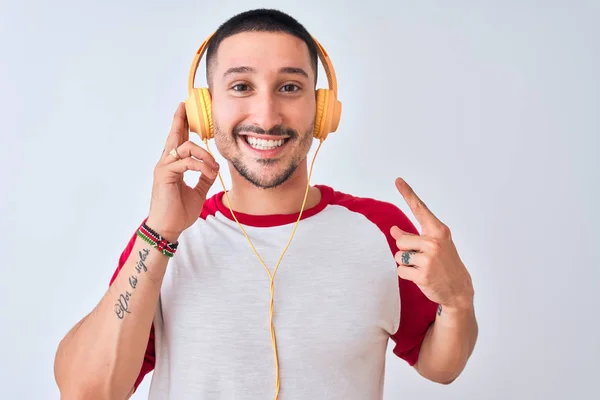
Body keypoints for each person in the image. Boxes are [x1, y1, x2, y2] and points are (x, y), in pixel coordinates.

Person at [53, 8, 478, 400]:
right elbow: (86, 392)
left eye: (290, 87)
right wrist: (159, 234)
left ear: (322, 108)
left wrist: (458, 301)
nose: (268, 114)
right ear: (206, 109)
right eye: (241, 86)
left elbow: (440, 366)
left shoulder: (382, 230)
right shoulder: (165, 240)